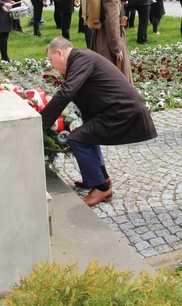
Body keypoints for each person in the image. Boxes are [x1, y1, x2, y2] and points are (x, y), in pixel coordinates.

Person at [40, 38, 157, 206]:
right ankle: (102, 179)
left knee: (77, 138)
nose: (52, 66)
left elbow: (67, 91)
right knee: (87, 134)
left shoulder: (80, 58)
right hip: (115, 109)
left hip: (123, 111)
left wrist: (42, 122)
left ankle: (101, 188)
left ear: (59, 52)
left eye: (51, 60)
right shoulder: (80, 58)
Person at [91, 0, 132, 82]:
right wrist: (116, 47)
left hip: (103, 36)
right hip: (107, 39)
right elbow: (112, 22)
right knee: (114, 76)